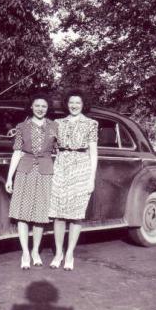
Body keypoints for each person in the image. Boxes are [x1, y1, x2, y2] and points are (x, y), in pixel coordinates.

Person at [5, 94, 56, 269]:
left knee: (40, 215)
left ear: (47, 108)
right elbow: (17, 152)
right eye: (37, 105)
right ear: (32, 107)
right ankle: (25, 253)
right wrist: (9, 177)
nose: (40, 109)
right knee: (23, 213)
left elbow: (60, 151)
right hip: (25, 171)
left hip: (45, 172)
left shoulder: (54, 126)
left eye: (44, 106)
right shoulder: (22, 127)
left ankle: (35, 251)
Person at [49, 90, 98, 271]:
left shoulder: (91, 124)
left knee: (76, 214)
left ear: (83, 104)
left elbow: (93, 153)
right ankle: (58, 253)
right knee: (58, 213)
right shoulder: (58, 123)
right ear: (67, 104)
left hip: (81, 168)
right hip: (61, 167)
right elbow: (50, 146)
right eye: (71, 102)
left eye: (78, 102)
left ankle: (69, 254)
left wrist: (91, 178)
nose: (74, 105)